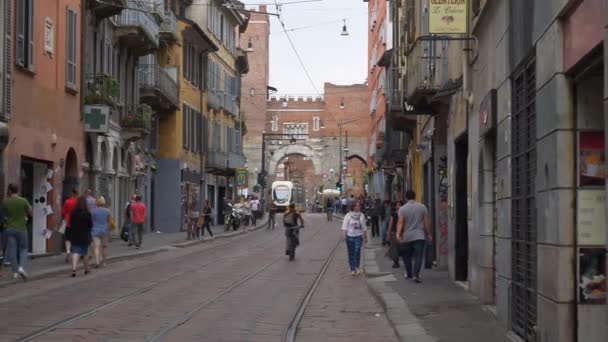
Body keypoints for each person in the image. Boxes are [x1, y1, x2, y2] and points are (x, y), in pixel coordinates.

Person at [397, 191, 432, 283]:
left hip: (407, 236)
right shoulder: (422, 207)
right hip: (419, 236)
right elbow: (426, 223)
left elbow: (400, 222)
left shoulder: (402, 209)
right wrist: (428, 234)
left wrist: (398, 234)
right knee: (418, 256)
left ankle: (409, 273)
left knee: (406, 256)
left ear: (406, 197)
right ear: (415, 196)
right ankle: (416, 274)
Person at [2, 184, 32, 281]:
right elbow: (30, 211)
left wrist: (8, 219)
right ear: (17, 190)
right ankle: (22, 268)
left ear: (10, 191)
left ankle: (16, 270)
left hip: (10, 228)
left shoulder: (5, 201)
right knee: (23, 248)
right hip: (22, 228)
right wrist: (25, 215)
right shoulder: (23, 200)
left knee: (12, 250)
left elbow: (3, 215)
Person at [341, 201, 367, 276]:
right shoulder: (348, 215)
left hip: (358, 237)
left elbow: (364, 227)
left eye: (358, 206)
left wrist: (365, 237)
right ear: (353, 207)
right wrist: (344, 234)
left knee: (357, 251)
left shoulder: (362, 215)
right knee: (351, 253)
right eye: (356, 206)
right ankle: (352, 269)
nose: (357, 207)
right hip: (350, 237)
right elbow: (344, 226)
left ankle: (357, 267)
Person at [69, 196, 93, 277]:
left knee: (75, 251)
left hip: (75, 234)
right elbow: (90, 225)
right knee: (84, 253)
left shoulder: (73, 213)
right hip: (84, 235)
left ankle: (74, 269)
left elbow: (71, 223)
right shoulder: (87, 214)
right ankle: (86, 269)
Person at [90, 196, 111, 268]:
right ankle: (104, 262)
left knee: (96, 246)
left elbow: (91, 222)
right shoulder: (107, 211)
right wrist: (108, 229)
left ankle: (97, 262)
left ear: (97, 203)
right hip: (104, 230)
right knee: (104, 247)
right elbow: (108, 221)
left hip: (95, 230)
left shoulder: (92, 211)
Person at [61, 188, 78, 263]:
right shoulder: (78, 202)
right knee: (75, 238)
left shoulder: (67, 201)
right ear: (77, 194)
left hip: (68, 222)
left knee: (67, 238)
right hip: (77, 222)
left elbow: (63, 212)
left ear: (72, 193)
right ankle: (74, 253)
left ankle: (68, 250)